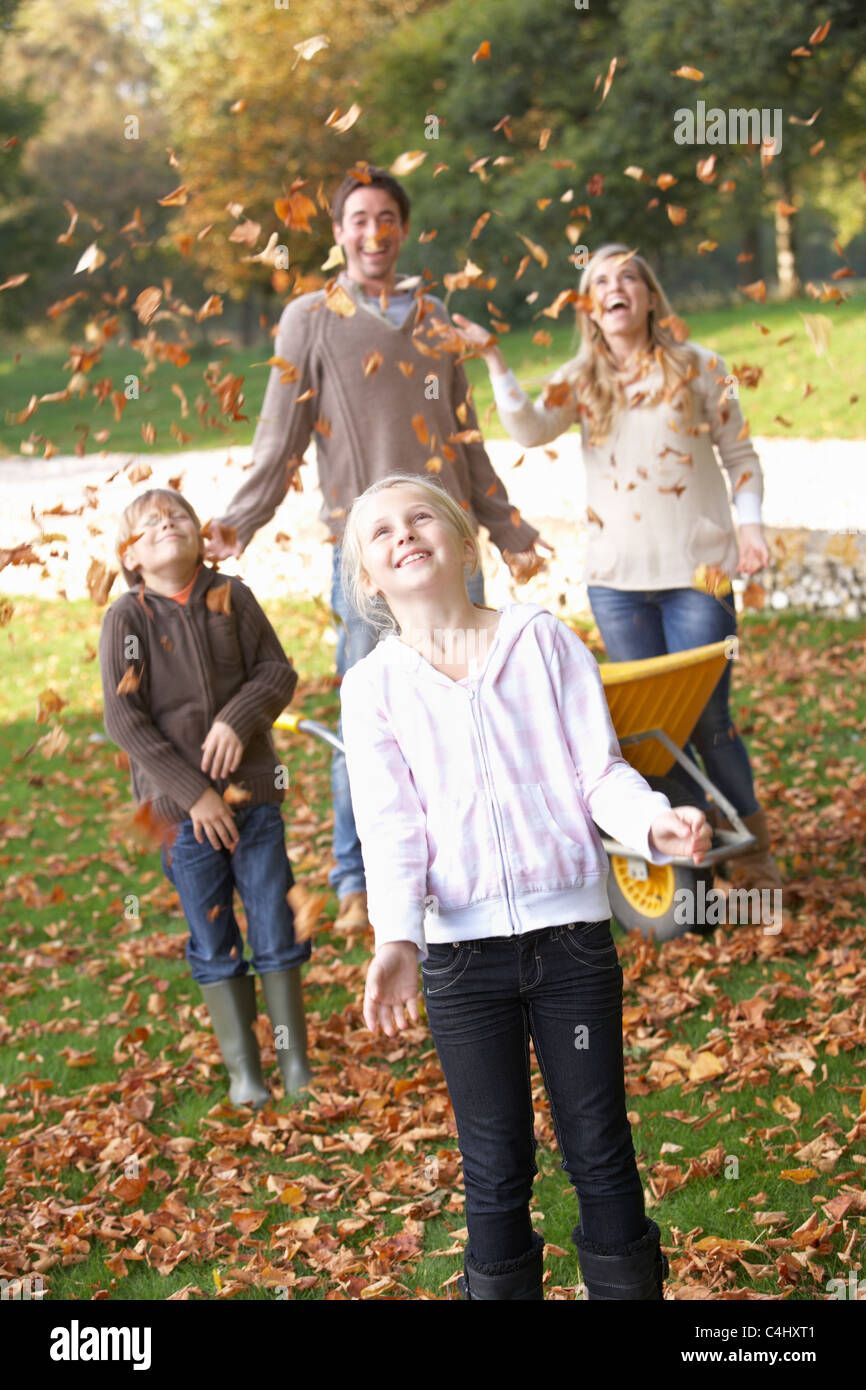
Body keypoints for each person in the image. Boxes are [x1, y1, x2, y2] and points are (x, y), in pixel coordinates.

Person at [338, 473, 712, 1300]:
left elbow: (599, 774)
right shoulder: (373, 689)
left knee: (598, 1143)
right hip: (461, 963)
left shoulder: (542, 641)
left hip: (570, 946)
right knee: (495, 1161)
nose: (404, 534)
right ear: (367, 576)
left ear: (465, 540)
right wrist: (396, 939)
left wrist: (652, 826)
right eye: (381, 531)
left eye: (422, 516)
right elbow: (392, 829)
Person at [204, 166, 551, 936]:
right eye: (358, 218)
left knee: (470, 703)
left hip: (450, 543)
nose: (373, 232)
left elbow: (466, 438)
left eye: (386, 217)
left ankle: (464, 859)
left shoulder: (436, 320)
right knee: (371, 708)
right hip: (368, 550)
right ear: (338, 233)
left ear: (402, 229)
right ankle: (356, 873)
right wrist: (241, 519)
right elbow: (278, 437)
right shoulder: (310, 318)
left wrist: (508, 527)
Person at [452, 243, 782, 893]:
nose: (615, 286)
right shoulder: (581, 377)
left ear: (650, 296)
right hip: (617, 584)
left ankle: (753, 853)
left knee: (708, 721)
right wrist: (493, 357)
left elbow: (740, 456)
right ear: (589, 308)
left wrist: (750, 529)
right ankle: (690, 851)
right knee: (653, 732)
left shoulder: (701, 366)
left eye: (629, 275)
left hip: (700, 576)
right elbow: (526, 429)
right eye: (599, 280)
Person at [99, 488, 312, 1108]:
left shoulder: (232, 597)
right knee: (214, 939)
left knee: (274, 923)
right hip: (183, 819)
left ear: (200, 534)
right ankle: (245, 1071)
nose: (168, 522)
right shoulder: (128, 620)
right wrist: (194, 795)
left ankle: (294, 1063)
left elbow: (277, 673)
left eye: (179, 515)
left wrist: (235, 720)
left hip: (255, 801)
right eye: (149, 523)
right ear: (131, 557)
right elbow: (125, 719)